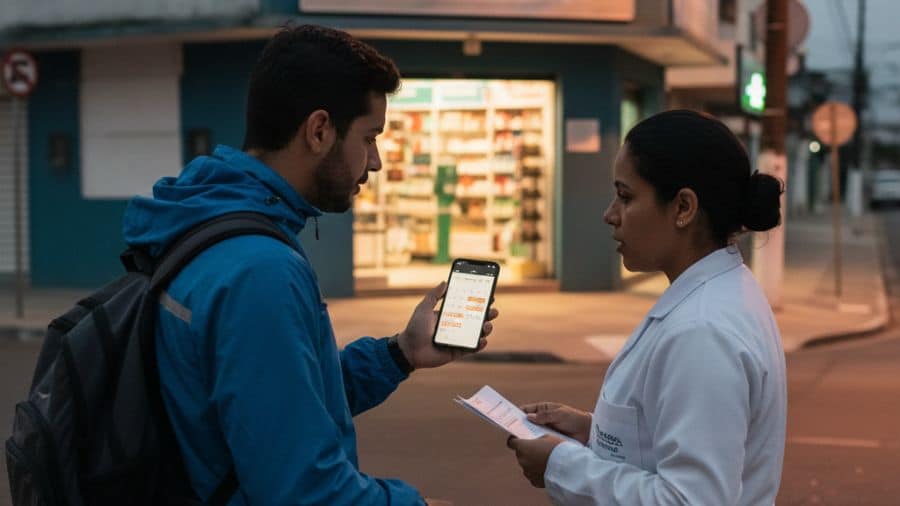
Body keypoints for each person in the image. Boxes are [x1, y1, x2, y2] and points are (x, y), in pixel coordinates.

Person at [122, 24, 497, 505]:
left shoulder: (207, 220)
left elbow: (278, 402)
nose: (377, 162)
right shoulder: (259, 271)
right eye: (369, 137)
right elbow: (305, 493)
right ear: (319, 131)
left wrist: (399, 353)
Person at [506, 110, 787, 505]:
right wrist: (596, 432)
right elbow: (673, 444)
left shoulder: (702, 331)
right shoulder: (716, 294)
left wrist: (560, 465)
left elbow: (689, 500)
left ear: (683, 208)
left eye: (626, 196)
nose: (610, 215)